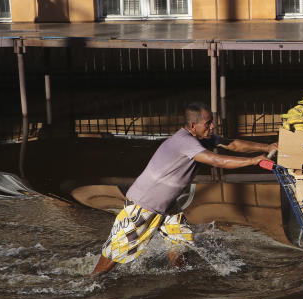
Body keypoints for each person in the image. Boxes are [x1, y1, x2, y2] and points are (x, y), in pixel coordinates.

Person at [89, 102, 277, 276]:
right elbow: (215, 160)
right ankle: (92, 281)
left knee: (181, 242)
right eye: (208, 123)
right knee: (117, 250)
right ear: (192, 126)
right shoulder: (185, 142)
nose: (212, 127)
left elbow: (233, 144)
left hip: (167, 205)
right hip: (144, 204)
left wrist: (266, 146)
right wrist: (253, 161)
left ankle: (178, 277)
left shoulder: (203, 138)